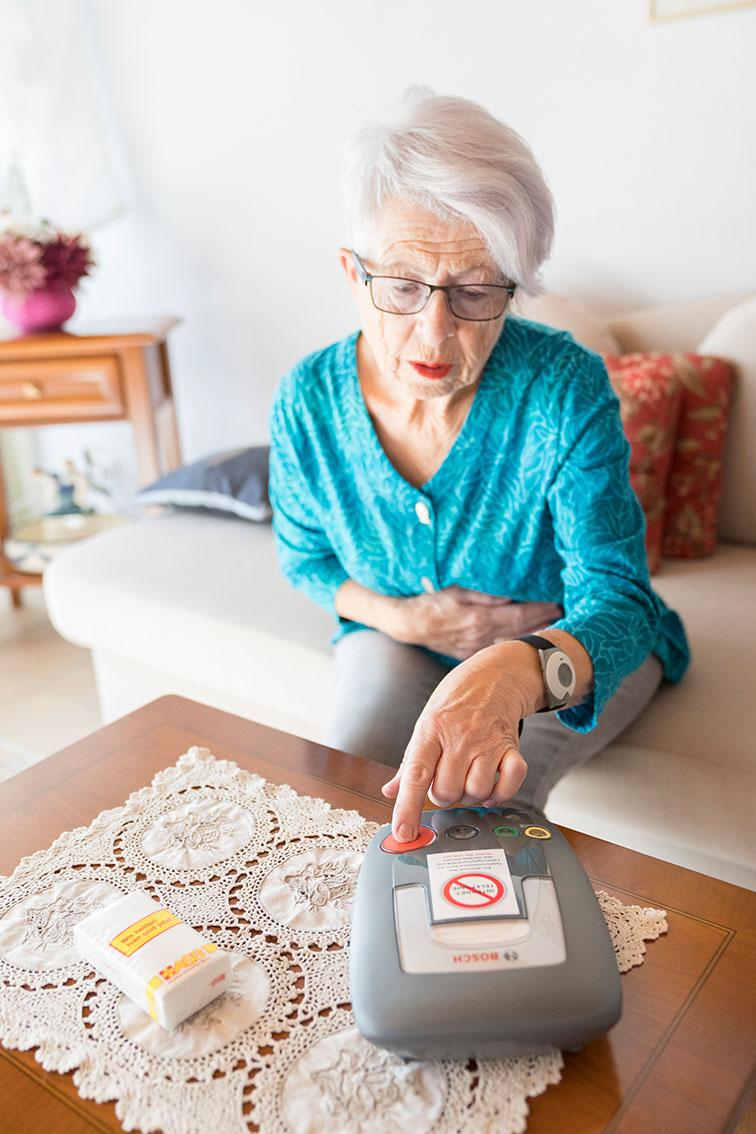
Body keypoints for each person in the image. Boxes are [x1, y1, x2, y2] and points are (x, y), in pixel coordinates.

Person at [268, 86, 690, 845]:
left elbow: (621, 603)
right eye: (403, 286)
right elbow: (305, 558)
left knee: (480, 820)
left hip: (568, 647)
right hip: (400, 637)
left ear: (513, 288)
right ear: (352, 272)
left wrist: (516, 670)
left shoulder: (563, 386)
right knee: (340, 801)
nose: (434, 332)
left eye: (473, 292)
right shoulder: (308, 400)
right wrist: (404, 617)